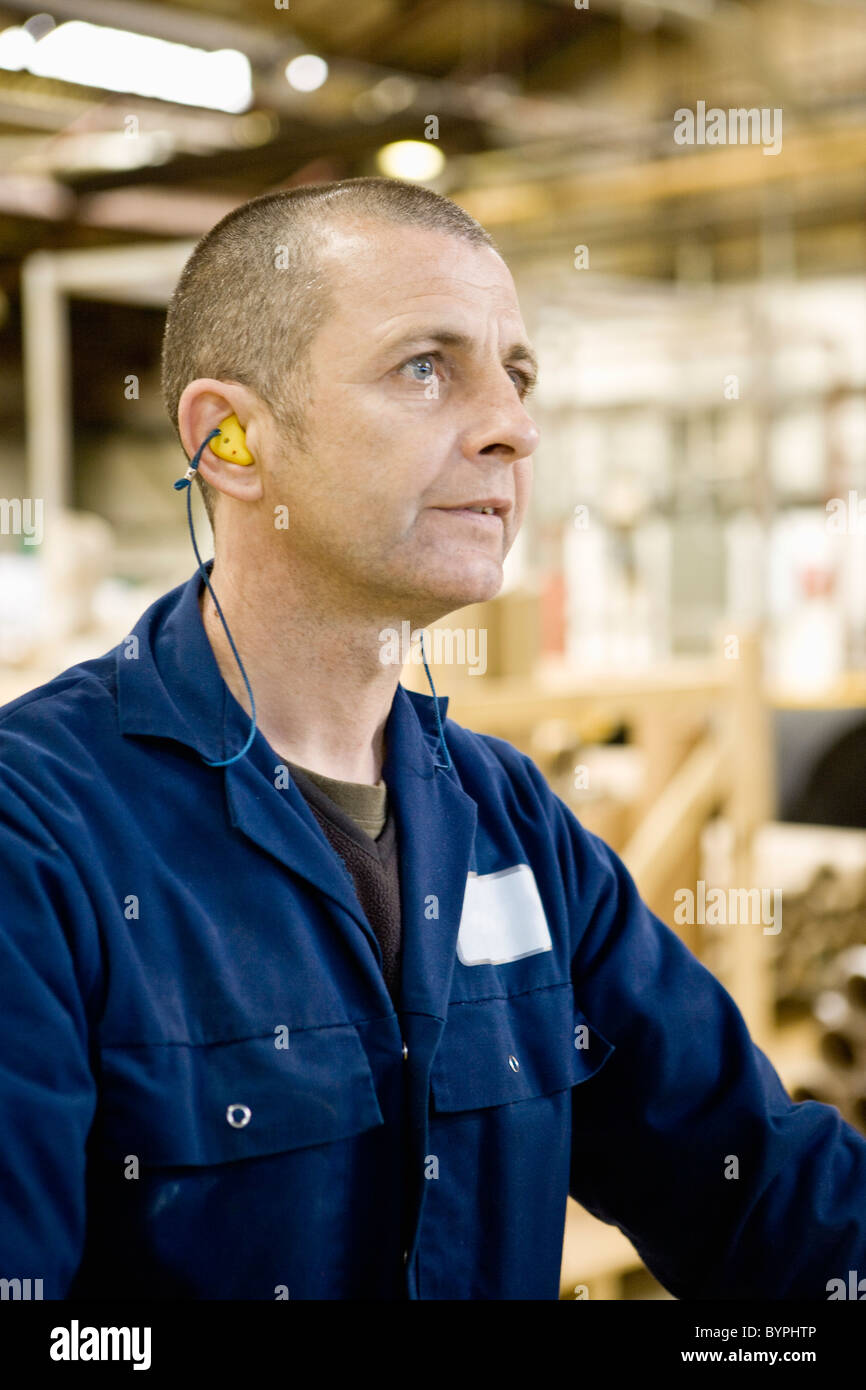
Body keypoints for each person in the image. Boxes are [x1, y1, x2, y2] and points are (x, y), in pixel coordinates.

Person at [1, 177, 864, 1301]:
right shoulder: (41, 839)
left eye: (516, 374)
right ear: (228, 440)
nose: (513, 426)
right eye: (425, 367)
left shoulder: (506, 824)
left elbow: (753, 1186)